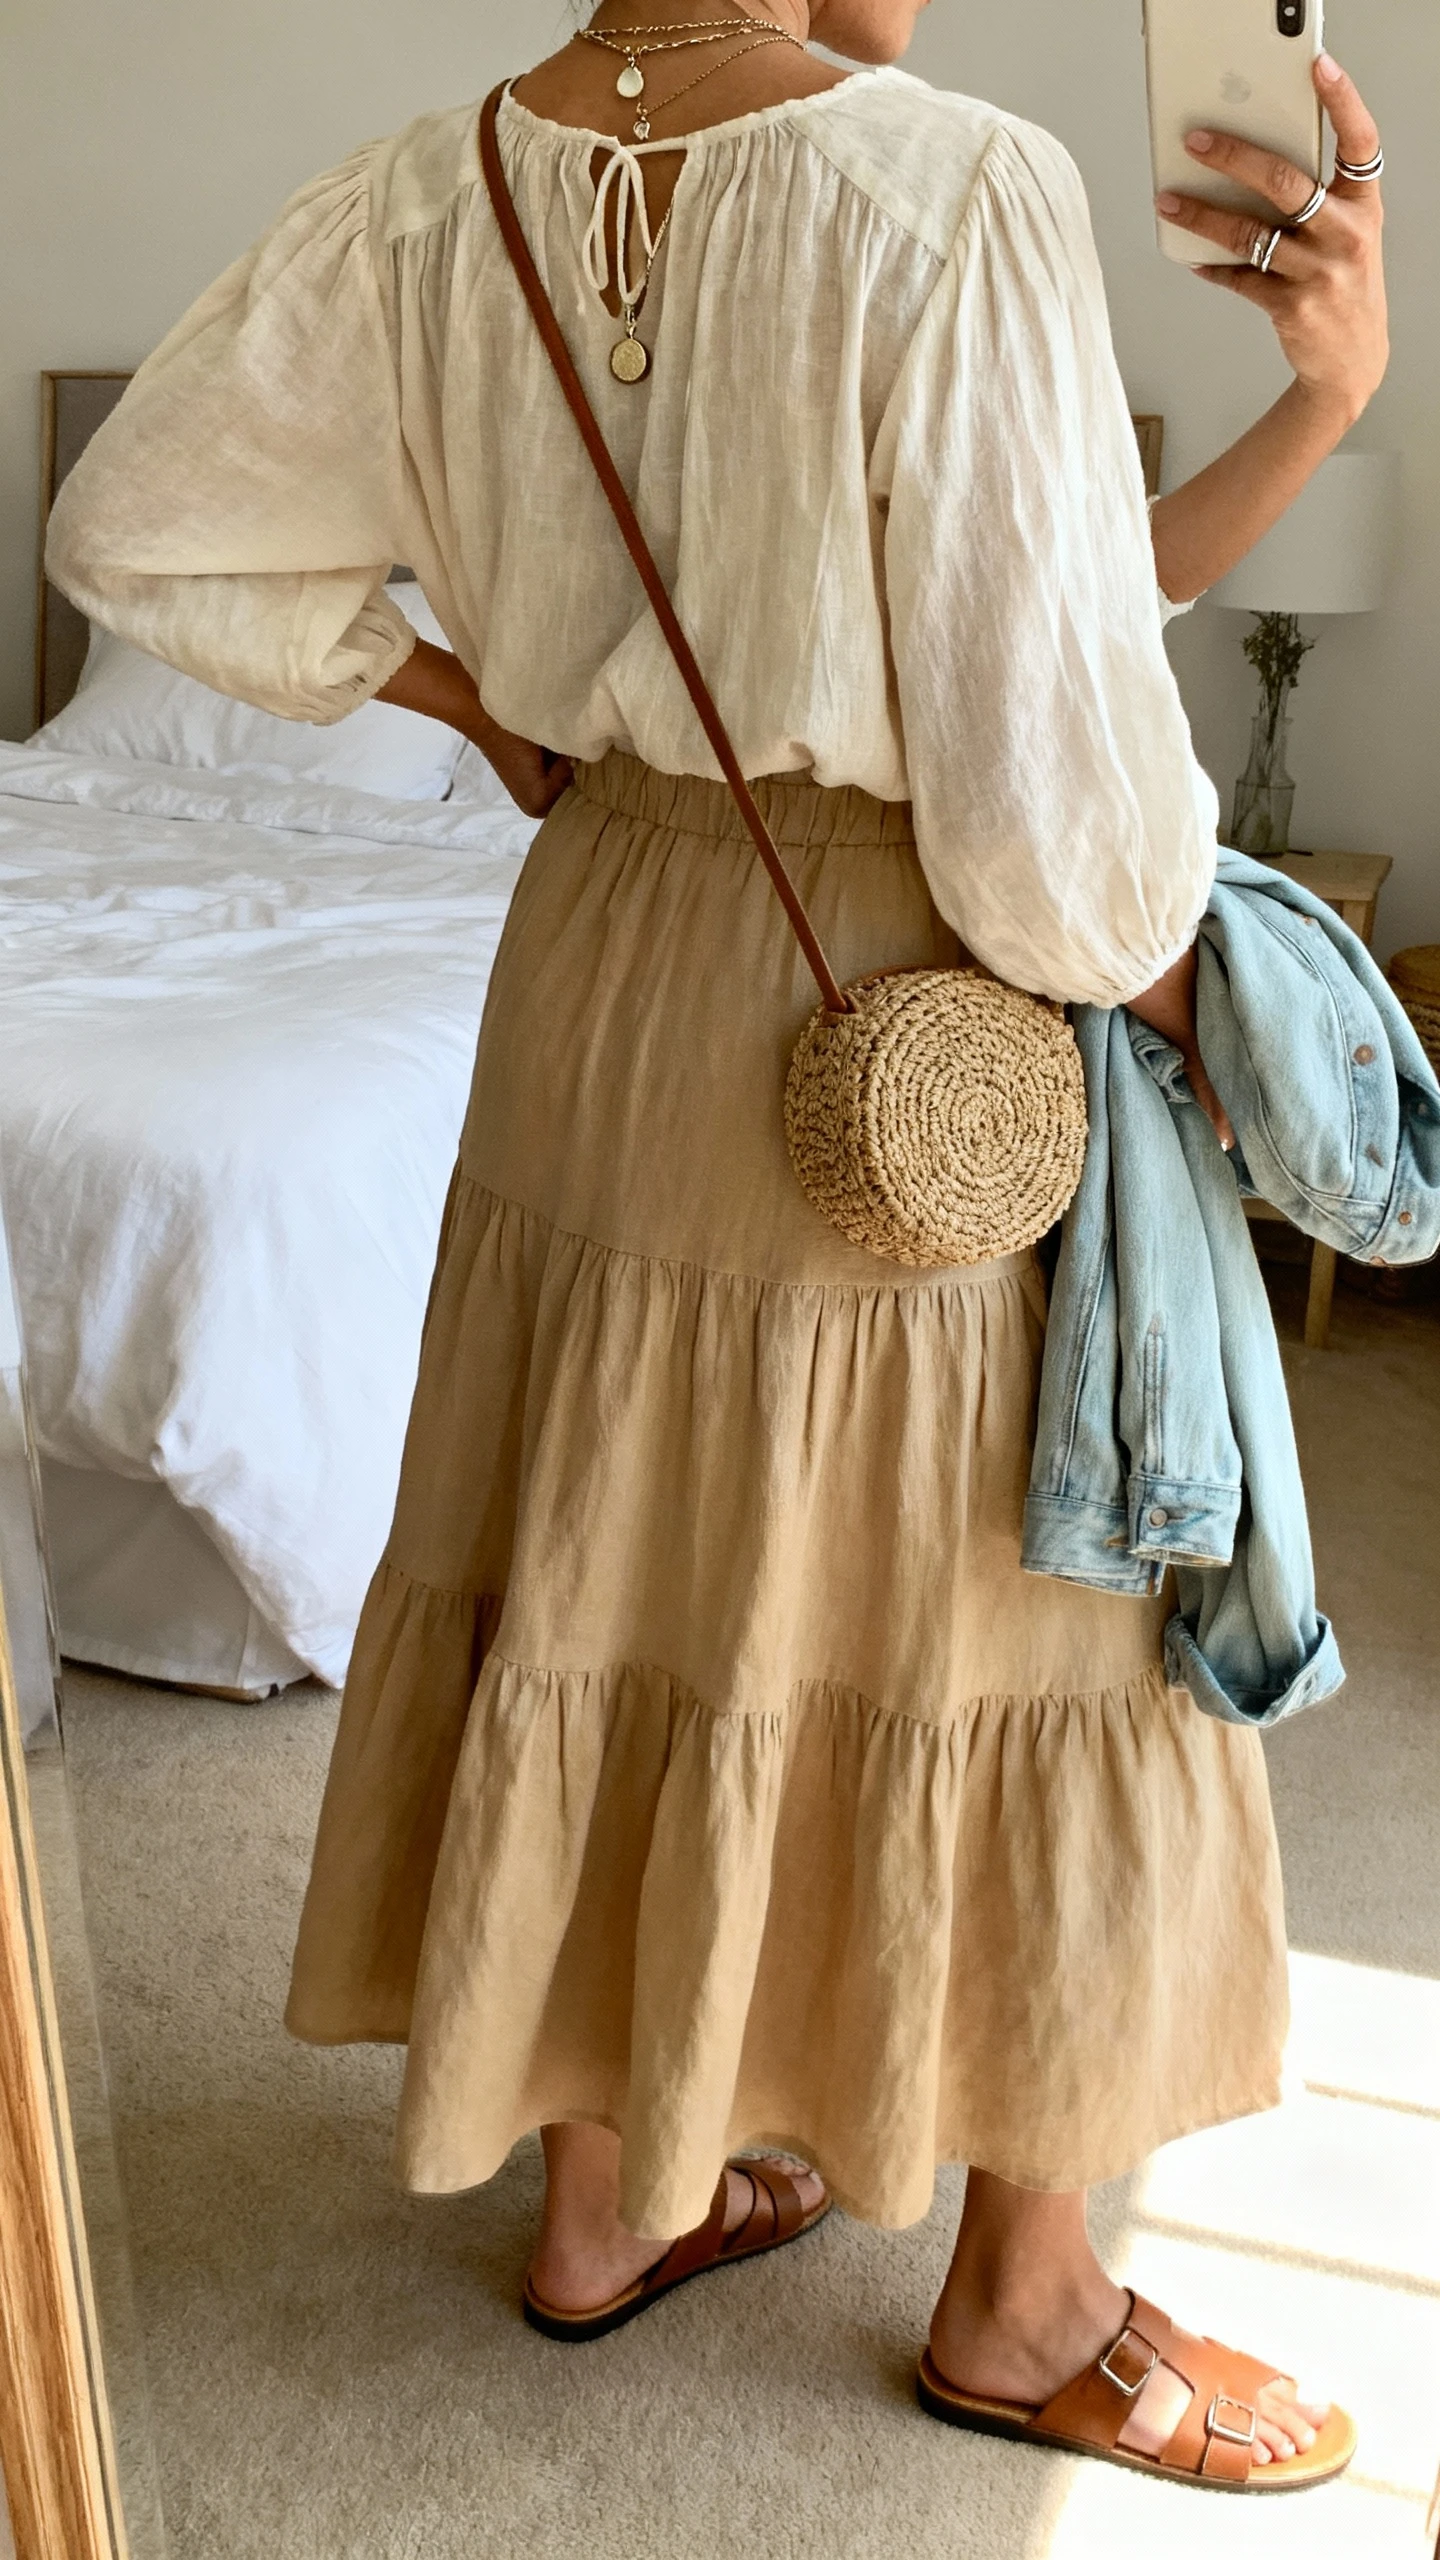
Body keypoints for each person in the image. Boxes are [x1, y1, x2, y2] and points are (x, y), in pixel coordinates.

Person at [47, 0, 1389, 2494]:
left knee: (614, 1549)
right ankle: (1026, 2293)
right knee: (1030, 1613)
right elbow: (1055, 808)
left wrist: (474, 700)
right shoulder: (956, 187)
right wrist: (1244, 1015)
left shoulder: (439, 183)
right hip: (879, 1003)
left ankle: (606, 2196)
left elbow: (129, 530)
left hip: (601, 969)